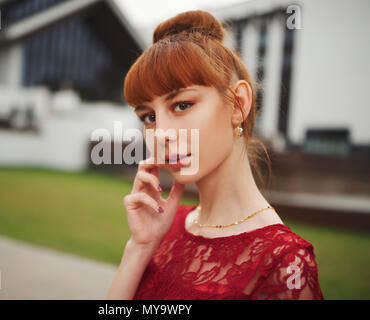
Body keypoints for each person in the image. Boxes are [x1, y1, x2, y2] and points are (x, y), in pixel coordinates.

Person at [106, 10, 324, 300]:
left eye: (182, 105)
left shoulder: (285, 263)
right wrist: (139, 246)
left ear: (238, 104)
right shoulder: (162, 228)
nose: (160, 134)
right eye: (148, 116)